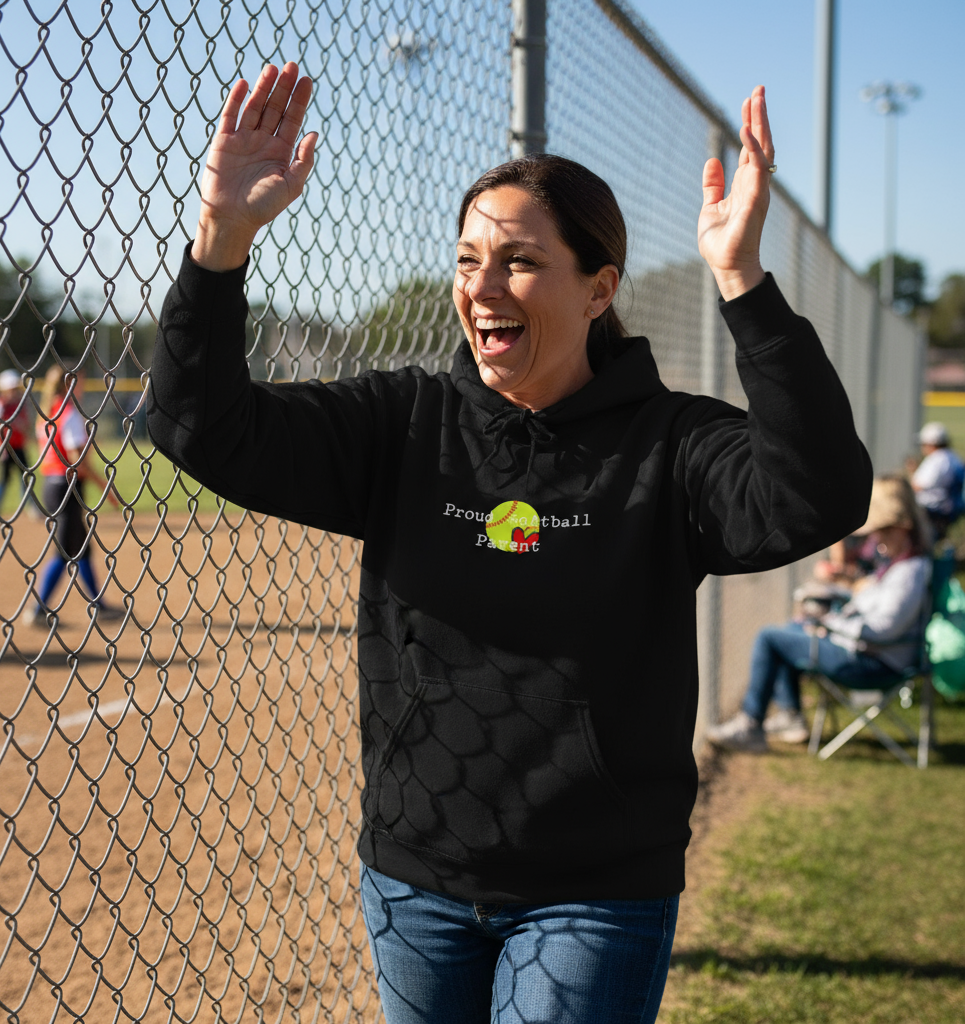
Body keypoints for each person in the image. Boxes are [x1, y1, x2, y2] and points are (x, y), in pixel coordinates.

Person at [147, 63, 872, 1023]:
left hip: (595, 889)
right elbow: (200, 426)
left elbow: (817, 494)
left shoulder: (672, 442)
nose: (481, 286)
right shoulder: (402, 424)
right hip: (415, 879)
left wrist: (743, 284)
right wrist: (222, 243)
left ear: (598, 288)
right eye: (466, 260)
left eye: (519, 262)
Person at [708, 476, 931, 752]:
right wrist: (835, 602)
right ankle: (790, 716)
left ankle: (751, 723)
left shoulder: (909, 573)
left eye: (883, 530)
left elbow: (881, 630)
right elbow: (874, 608)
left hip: (870, 663)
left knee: (770, 638)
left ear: (903, 527)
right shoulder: (901, 565)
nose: (876, 538)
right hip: (867, 651)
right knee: (791, 629)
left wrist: (829, 624)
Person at [31, 365, 118, 626]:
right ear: (68, 384)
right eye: (78, 382)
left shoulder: (48, 411)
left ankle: (98, 604)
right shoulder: (69, 414)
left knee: (81, 548)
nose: (81, 386)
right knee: (64, 551)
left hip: (53, 485)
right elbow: (76, 462)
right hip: (66, 488)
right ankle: (37, 609)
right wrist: (105, 486)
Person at [0, 368, 32, 527]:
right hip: (6, 448)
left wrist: (20, 425)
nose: (14, 391)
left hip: (19, 447)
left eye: (15, 388)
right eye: (11, 388)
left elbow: (26, 426)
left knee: (26, 478)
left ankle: (30, 507)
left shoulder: (20, 403)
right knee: (3, 480)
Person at [911, 421, 965, 539]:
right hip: (946, 508)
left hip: (933, 509)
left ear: (931, 443)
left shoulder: (937, 460)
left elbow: (919, 485)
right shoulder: (952, 457)